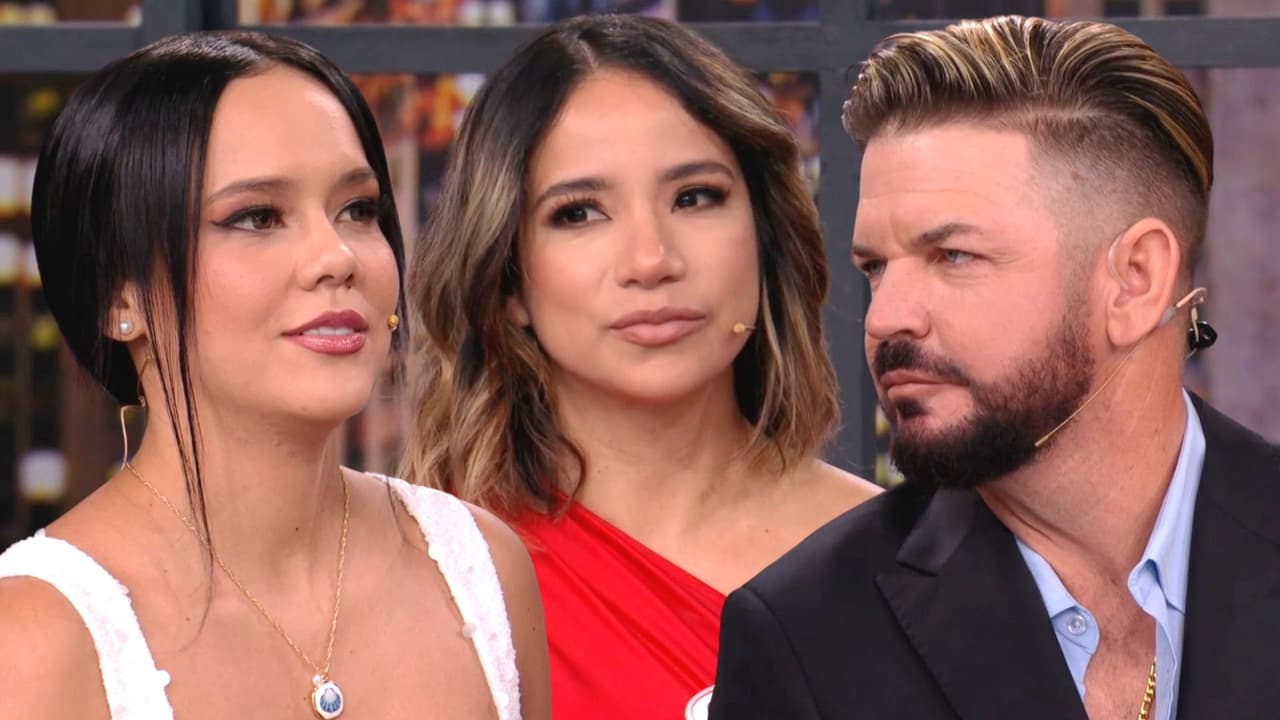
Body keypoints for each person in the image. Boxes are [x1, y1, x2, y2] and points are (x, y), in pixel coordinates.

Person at [710, 14, 1280, 720]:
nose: (885, 317)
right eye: (876, 267)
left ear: (1135, 280)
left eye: (953, 256)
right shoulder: (807, 636)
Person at [0, 31, 549, 720]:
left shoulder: (479, 569)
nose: (337, 256)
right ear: (120, 296)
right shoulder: (33, 637)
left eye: (358, 210)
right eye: (257, 217)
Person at [401, 13, 879, 720]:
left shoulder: (895, 562)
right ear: (508, 281)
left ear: (765, 236)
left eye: (695, 198)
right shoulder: (433, 576)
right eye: (579, 213)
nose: (652, 260)